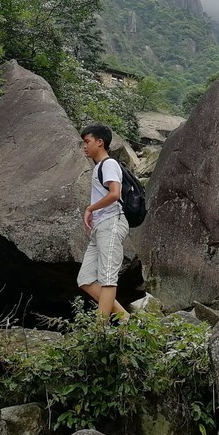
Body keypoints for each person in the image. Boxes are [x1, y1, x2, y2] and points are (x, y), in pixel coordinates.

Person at [78, 124, 129, 321]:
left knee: (108, 278)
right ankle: (126, 319)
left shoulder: (109, 164)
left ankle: (99, 331)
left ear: (100, 142)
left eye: (87, 141)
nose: (84, 146)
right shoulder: (100, 167)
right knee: (85, 279)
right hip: (100, 227)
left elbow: (115, 194)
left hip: (111, 221)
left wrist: (90, 208)